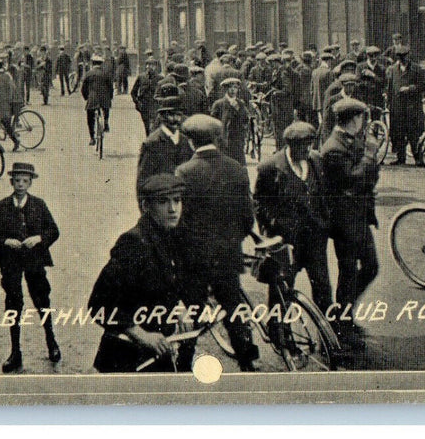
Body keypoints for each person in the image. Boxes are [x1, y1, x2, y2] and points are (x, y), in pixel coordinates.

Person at [175, 114, 259, 371]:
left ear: (190, 141)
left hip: (195, 260)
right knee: (234, 311)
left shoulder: (185, 172)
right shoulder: (235, 168)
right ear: (216, 138)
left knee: (193, 312)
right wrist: (234, 240)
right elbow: (247, 217)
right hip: (227, 256)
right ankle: (246, 364)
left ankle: (184, 363)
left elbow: (179, 222)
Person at [88, 173, 195, 373]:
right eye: (163, 202)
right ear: (146, 206)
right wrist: (142, 335)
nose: (173, 209)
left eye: (177, 200)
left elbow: (164, 284)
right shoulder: (134, 243)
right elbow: (99, 304)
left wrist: (178, 308)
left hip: (157, 353)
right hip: (125, 357)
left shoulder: (169, 235)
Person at [0, 163, 61, 373]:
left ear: (30, 183)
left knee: (42, 300)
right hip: (10, 262)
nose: (20, 185)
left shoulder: (39, 204)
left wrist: (39, 239)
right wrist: (5, 242)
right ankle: (15, 352)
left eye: (24, 181)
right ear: (11, 182)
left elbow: (54, 231)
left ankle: (51, 342)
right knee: (13, 305)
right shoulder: (2, 206)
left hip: (34, 260)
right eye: (17, 180)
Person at [254, 121, 333, 316]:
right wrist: (271, 232)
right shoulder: (270, 167)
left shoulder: (316, 160)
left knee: (323, 287)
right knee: (281, 290)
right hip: (287, 242)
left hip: (314, 239)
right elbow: (259, 203)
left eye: (310, 144)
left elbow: (324, 194)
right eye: (303, 145)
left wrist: (325, 221)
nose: (308, 149)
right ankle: (280, 335)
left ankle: (330, 334)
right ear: (290, 145)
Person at [318, 97, 379, 347]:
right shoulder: (334, 148)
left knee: (370, 266)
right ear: (353, 119)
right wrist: (370, 157)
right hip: (344, 220)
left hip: (359, 215)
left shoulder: (351, 141)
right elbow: (353, 180)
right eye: (361, 118)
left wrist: (369, 161)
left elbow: (368, 178)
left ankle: (344, 314)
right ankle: (342, 324)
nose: (363, 122)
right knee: (348, 272)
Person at [136, 96, 193, 192]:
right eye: (171, 115)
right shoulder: (152, 143)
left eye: (178, 115)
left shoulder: (185, 141)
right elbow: (143, 181)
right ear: (162, 116)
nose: (176, 119)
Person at [386, 45, 425, 166]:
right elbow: (390, 88)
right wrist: (389, 104)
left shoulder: (416, 69)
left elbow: (423, 86)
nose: (402, 59)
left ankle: (418, 158)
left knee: (413, 134)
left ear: (408, 56)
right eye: (399, 57)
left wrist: (410, 88)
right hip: (397, 108)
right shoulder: (392, 69)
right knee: (398, 134)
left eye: (404, 57)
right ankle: (401, 158)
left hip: (412, 108)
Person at [210, 77, 250, 165]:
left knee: (239, 166)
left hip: (237, 140)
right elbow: (213, 122)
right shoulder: (218, 104)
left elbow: (245, 120)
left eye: (235, 87)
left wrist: (238, 109)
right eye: (230, 87)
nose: (232, 90)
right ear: (225, 89)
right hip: (224, 141)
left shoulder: (241, 104)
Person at [81, 54, 114, 146]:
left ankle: (92, 138)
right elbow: (110, 88)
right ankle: (106, 122)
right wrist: (110, 97)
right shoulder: (106, 74)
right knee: (106, 108)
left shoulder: (88, 74)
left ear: (92, 63)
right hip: (104, 99)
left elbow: (83, 89)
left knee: (90, 118)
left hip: (93, 99)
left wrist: (86, 98)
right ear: (101, 64)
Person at [130, 58, 161, 134]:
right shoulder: (141, 77)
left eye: (151, 65)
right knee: (147, 127)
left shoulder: (160, 78)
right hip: (144, 105)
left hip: (155, 105)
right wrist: (137, 102)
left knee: (154, 127)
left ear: (155, 67)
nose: (149, 67)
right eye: (147, 65)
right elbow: (133, 92)